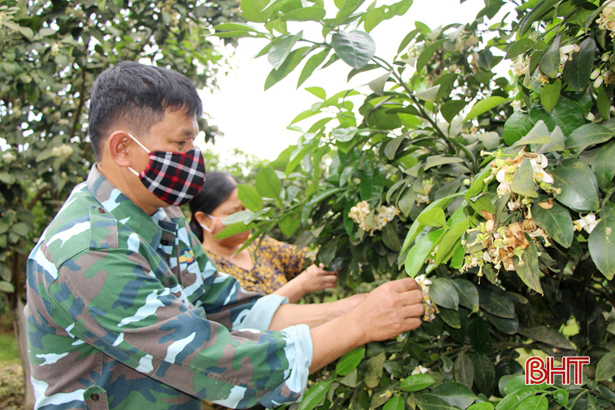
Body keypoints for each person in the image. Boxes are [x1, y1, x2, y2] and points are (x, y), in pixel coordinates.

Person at [24, 61, 425, 410]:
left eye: (193, 141)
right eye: (180, 142)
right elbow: (207, 356)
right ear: (123, 149)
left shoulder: (163, 217)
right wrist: (357, 327)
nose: (193, 157)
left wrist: (355, 307)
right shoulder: (88, 249)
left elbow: (230, 310)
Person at [188, 172, 337, 303]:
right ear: (203, 219)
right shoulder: (201, 266)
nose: (246, 219)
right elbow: (240, 318)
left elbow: (306, 257)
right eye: (234, 213)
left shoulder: (260, 244)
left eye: (245, 210)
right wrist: (300, 285)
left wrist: (336, 247)